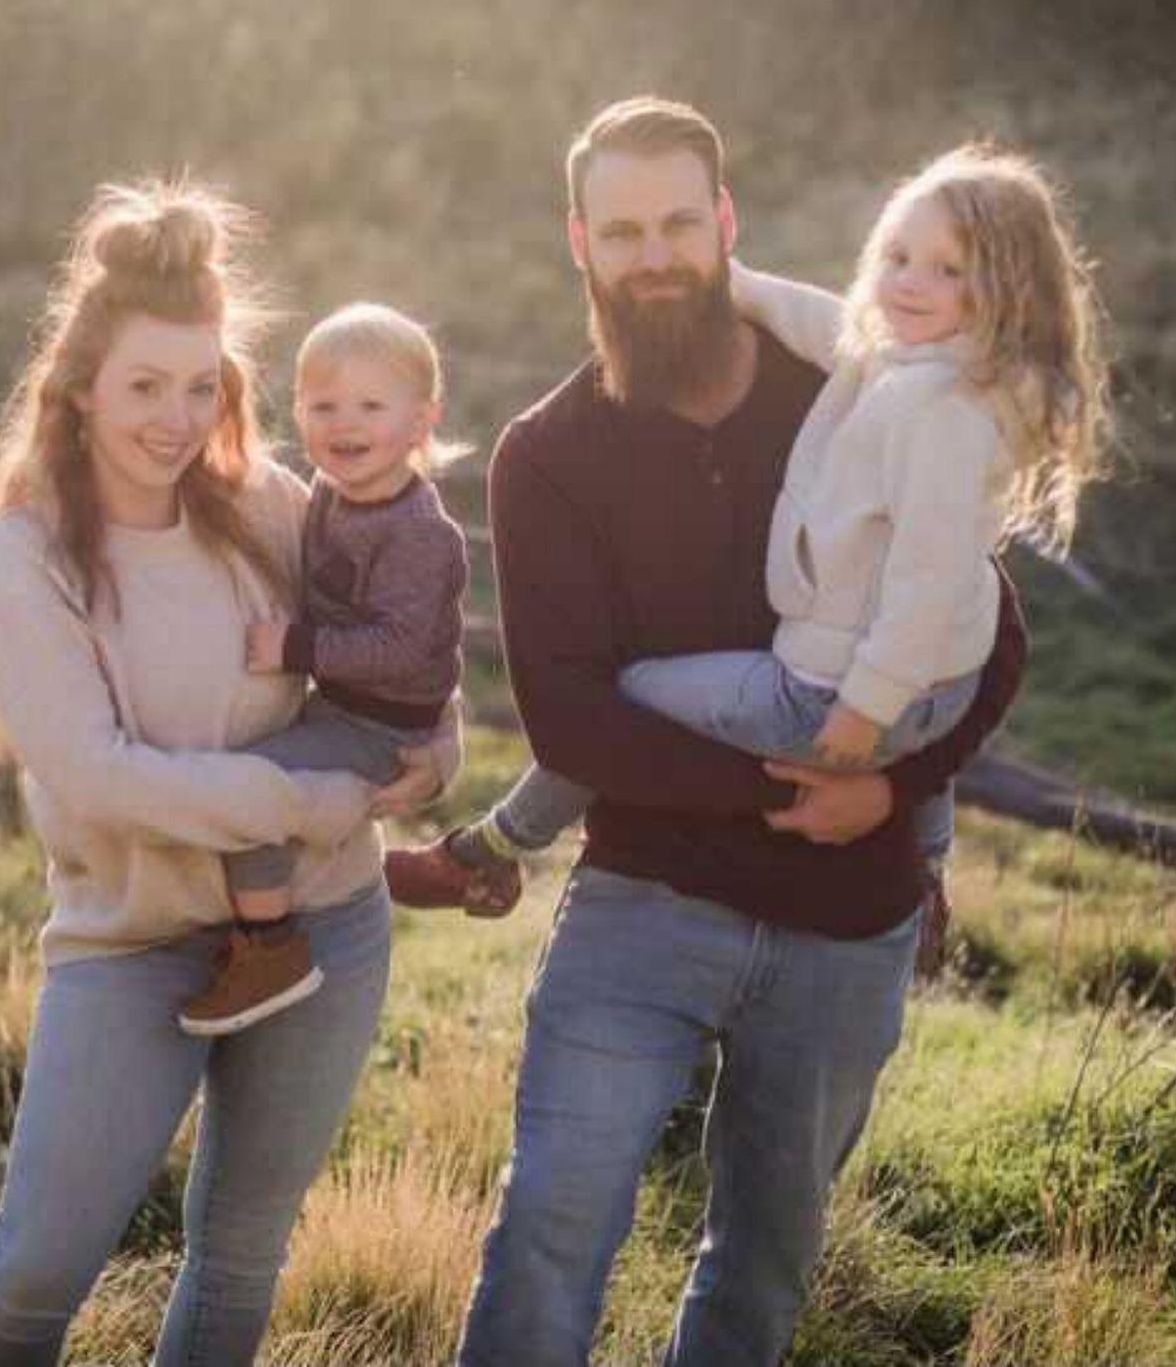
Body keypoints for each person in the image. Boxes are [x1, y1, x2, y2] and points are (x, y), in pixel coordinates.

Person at [428, 97, 1035, 1367]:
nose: (652, 256)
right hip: (643, 906)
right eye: (620, 230)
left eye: (675, 225)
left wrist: (891, 788)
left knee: (761, 1269)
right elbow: (571, 713)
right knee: (546, 1234)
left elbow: (987, 624)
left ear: (722, 226)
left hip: (841, 924)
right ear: (578, 244)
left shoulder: (855, 380)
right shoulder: (546, 454)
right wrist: (790, 793)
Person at [0, 179, 455, 1367]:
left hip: (327, 925)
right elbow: (96, 776)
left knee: (236, 1260)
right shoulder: (25, 556)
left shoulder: (265, 503)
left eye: (198, 385)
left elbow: (407, 641)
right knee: (33, 1273)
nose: (175, 420)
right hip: (134, 940)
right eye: (142, 387)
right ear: (77, 387)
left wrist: (433, 752)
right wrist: (316, 800)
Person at [393, 142, 1108, 957]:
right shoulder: (929, 368)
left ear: (1006, 291)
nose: (911, 281)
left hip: (837, 691)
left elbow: (928, 583)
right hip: (938, 676)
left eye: (949, 271)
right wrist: (718, 278)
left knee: (633, 692)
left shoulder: (939, 417)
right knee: (914, 705)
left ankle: (495, 849)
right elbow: (832, 327)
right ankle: (930, 876)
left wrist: (863, 719)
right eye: (901, 256)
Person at [178, 302, 484, 1037]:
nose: (343, 424)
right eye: (322, 405)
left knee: (252, 797)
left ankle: (269, 949)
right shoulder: (325, 495)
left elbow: (403, 648)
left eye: (371, 406)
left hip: (380, 724)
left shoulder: (418, 534)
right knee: (256, 779)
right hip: (340, 705)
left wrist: (297, 649)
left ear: (421, 422)